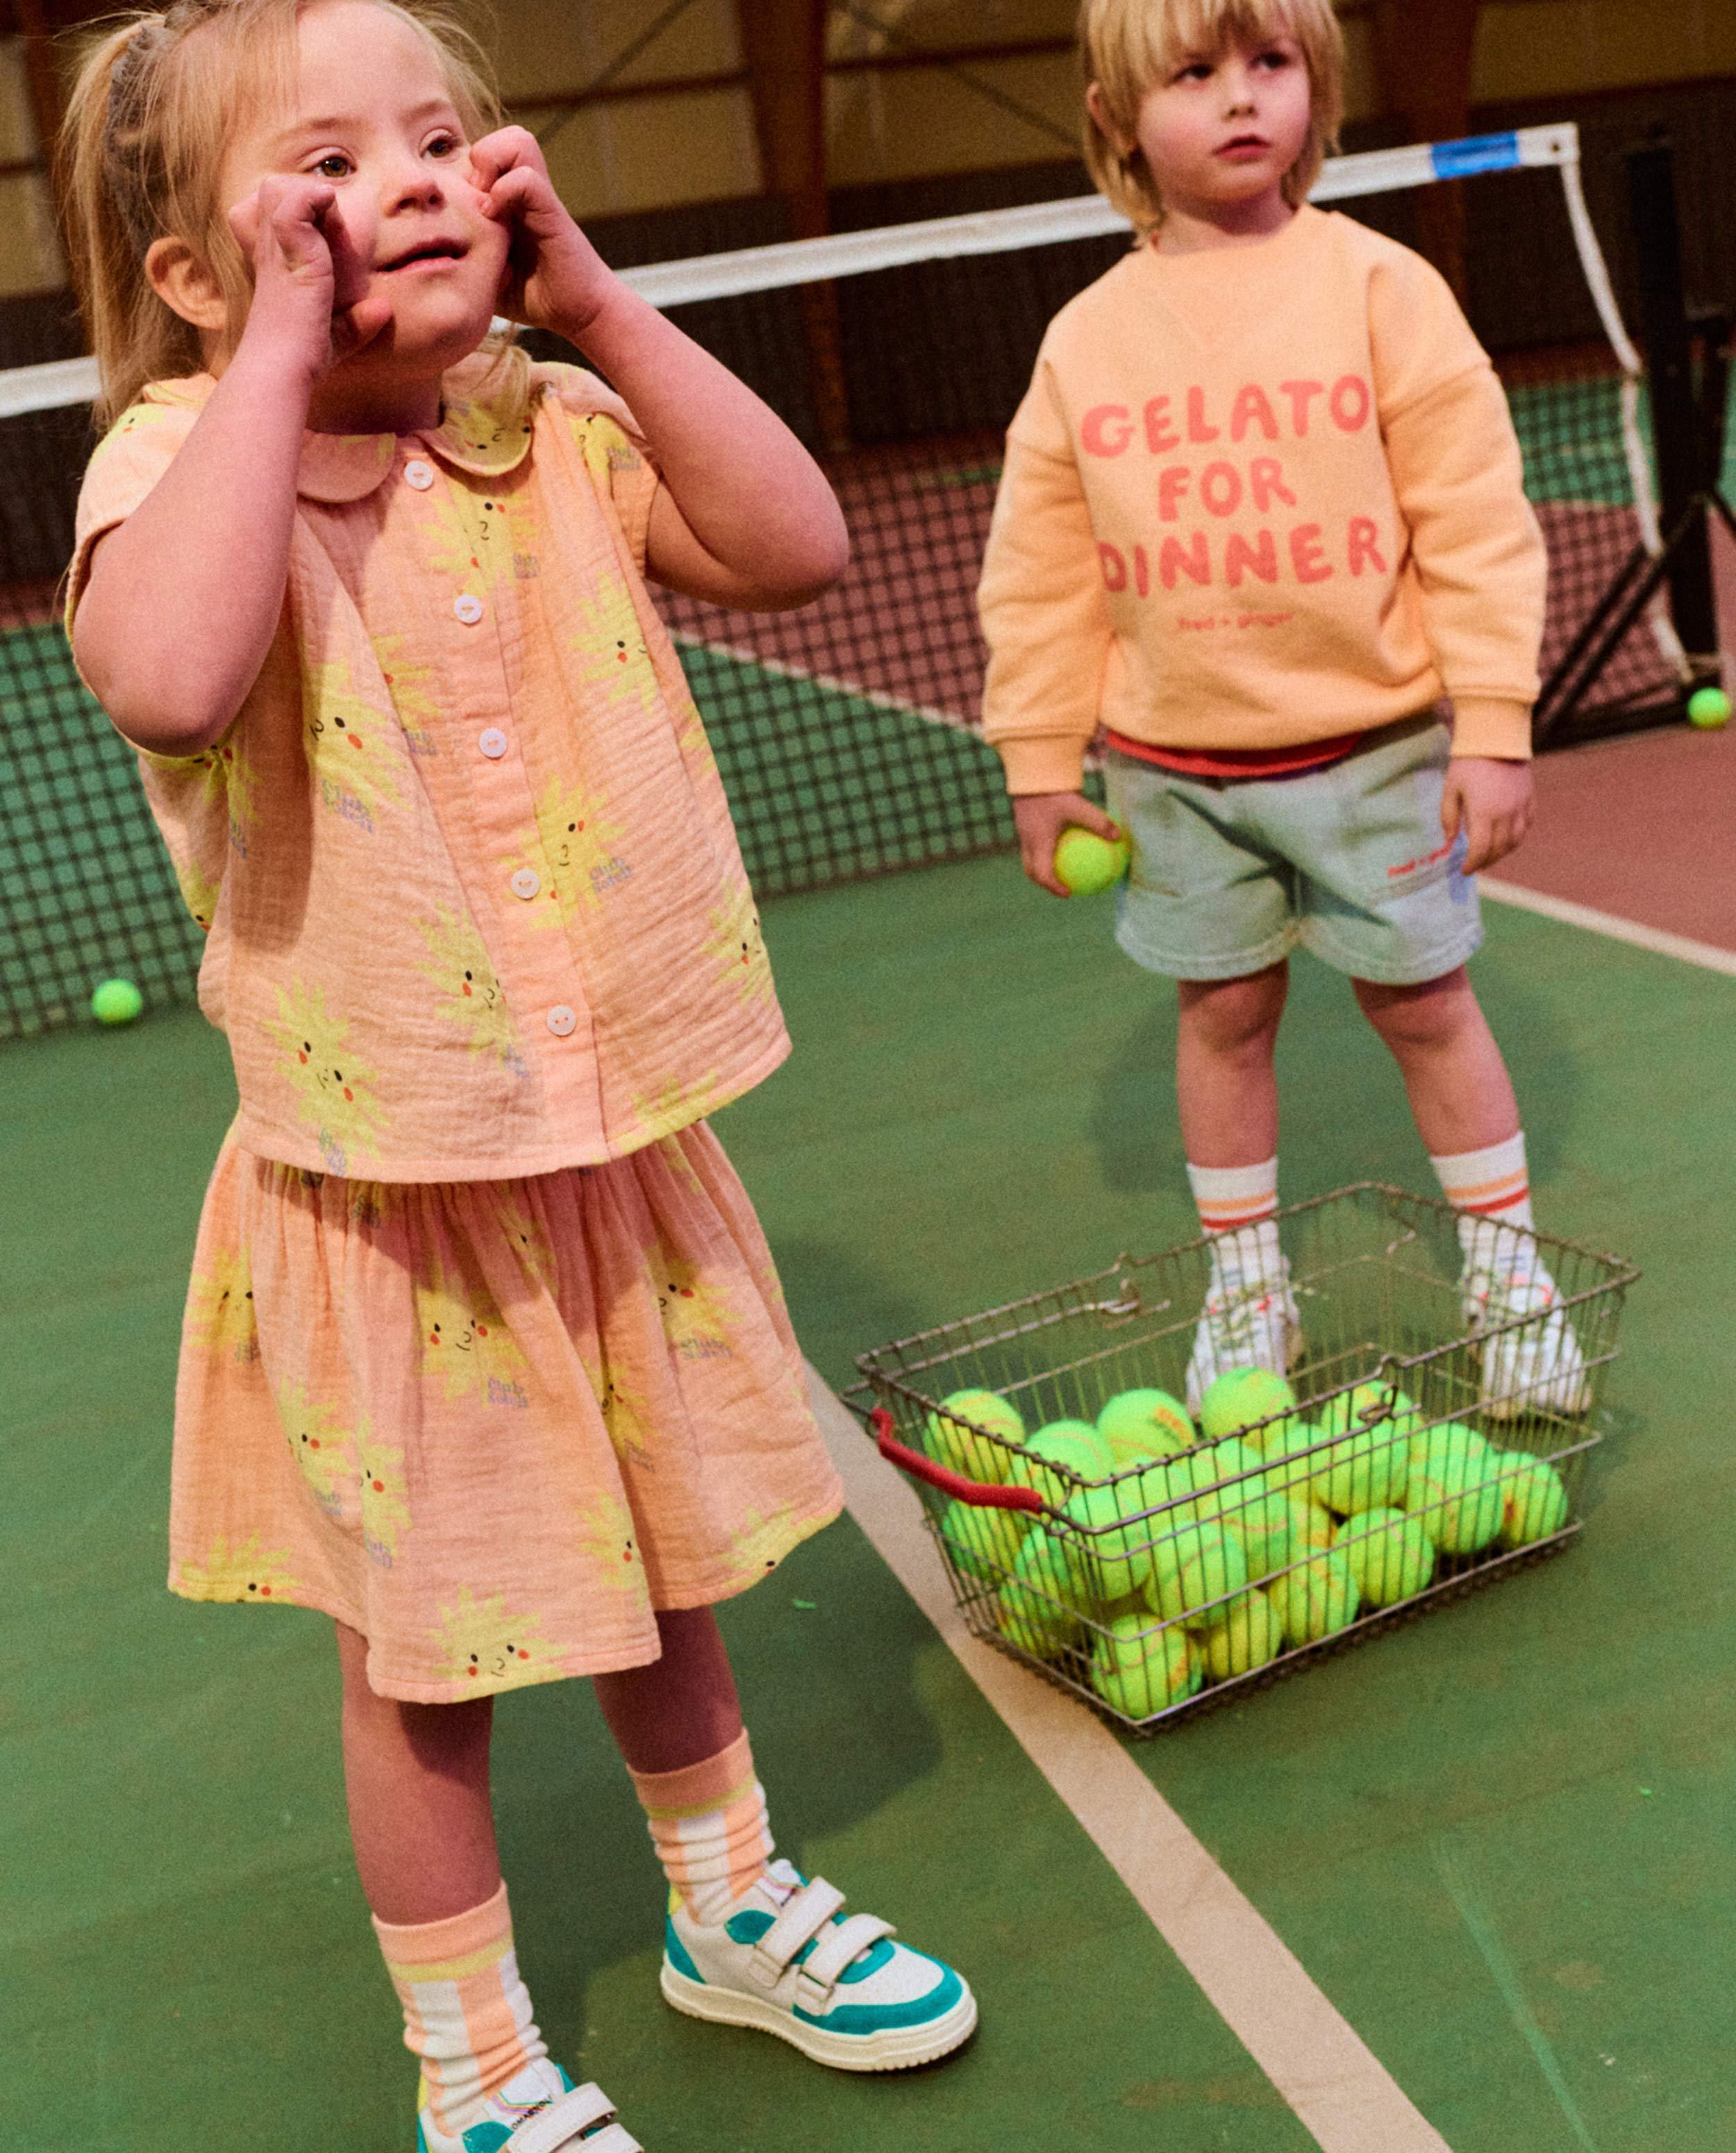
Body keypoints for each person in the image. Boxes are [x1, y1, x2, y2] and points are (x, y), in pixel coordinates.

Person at [61, 1, 976, 2143]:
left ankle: (724, 1896)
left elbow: (796, 544)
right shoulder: (170, 465)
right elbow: (173, 674)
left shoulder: (557, 420)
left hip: (611, 1145)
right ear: (201, 273)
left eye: (441, 135)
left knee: (668, 1563)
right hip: (396, 1186)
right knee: (433, 1663)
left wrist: (595, 301)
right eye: (326, 166)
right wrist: (279, 354)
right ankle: (470, 2060)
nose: (410, 178)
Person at [977, 0, 1587, 1418]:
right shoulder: (1083, 339)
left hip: (1376, 755)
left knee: (1426, 1005)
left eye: (1270, 65)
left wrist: (1489, 724)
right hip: (1173, 775)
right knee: (1223, 1012)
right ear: (1116, 118)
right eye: (1193, 74)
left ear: (1314, 86)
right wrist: (1035, 756)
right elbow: (1042, 572)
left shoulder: (1381, 290)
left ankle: (1509, 1284)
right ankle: (1247, 1299)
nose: (1240, 99)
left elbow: (1475, 521)